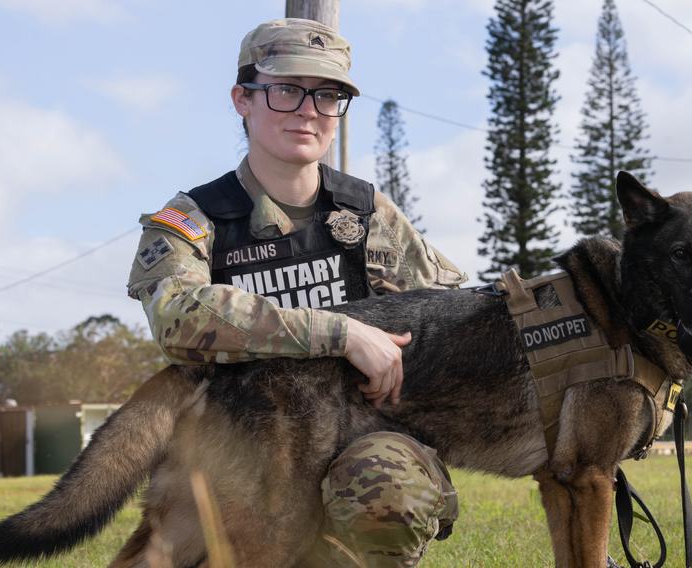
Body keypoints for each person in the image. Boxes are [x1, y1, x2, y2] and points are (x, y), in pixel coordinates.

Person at [127, 17, 465, 567]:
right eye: (286, 90)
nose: (309, 109)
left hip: (360, 440)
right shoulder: (194, 217)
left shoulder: (368, 214)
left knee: (388, 488)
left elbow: (446, 320)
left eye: (327, 95)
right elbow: (177, 318)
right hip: (239, 448)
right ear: (243, 99)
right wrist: (341, 332)